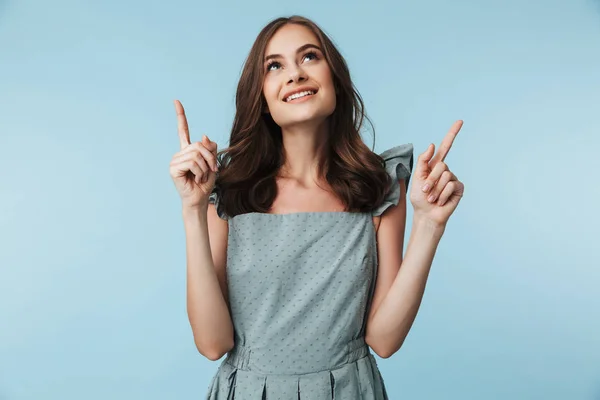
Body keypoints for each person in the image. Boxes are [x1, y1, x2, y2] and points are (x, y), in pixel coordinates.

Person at [169, 15, 464, 400]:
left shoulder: (378, 185)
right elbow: (212, 343)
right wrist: (192, 210)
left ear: (335, 79)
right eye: (274, 66)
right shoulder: (228, 190)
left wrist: (429, 225)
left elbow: (385, 340)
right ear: (261, 98)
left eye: (309, 57)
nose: (294, 74)